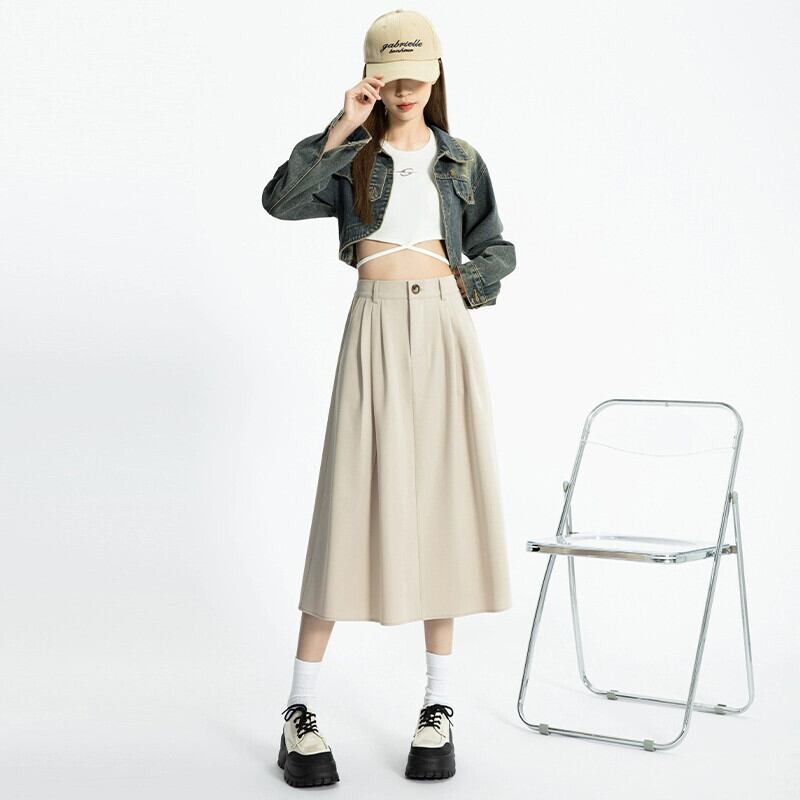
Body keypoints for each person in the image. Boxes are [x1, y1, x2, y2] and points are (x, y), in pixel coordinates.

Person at [262, 9, 516, 787]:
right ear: (373, 77)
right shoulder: (355, 158)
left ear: (436, 75)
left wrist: (463, 287)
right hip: (372, 323)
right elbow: (281, 201)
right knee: (348, 504)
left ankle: (439, 706)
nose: (407, 90)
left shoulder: (462, 161)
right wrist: (343, 125)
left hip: (442, 328)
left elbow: (496, 245)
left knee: (444, 506)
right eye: (392, 76)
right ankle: (300, 710)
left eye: (418, 76)